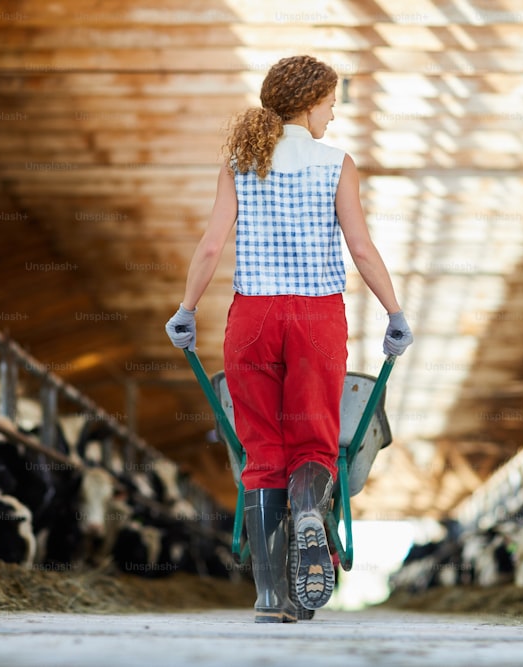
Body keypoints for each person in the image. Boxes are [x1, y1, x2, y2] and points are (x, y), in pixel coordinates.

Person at [165, 55, 412, 623]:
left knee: (261, 453)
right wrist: (394, 313)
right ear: (309, 102)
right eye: (330, 103)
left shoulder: (239, 162)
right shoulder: (336, 164)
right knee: (314, 444)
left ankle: (271, 595)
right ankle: (309, 513)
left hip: (252, 319)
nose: (333, 113)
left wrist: (185, 309)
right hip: (317, 319)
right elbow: (362, 249)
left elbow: (208, 247)